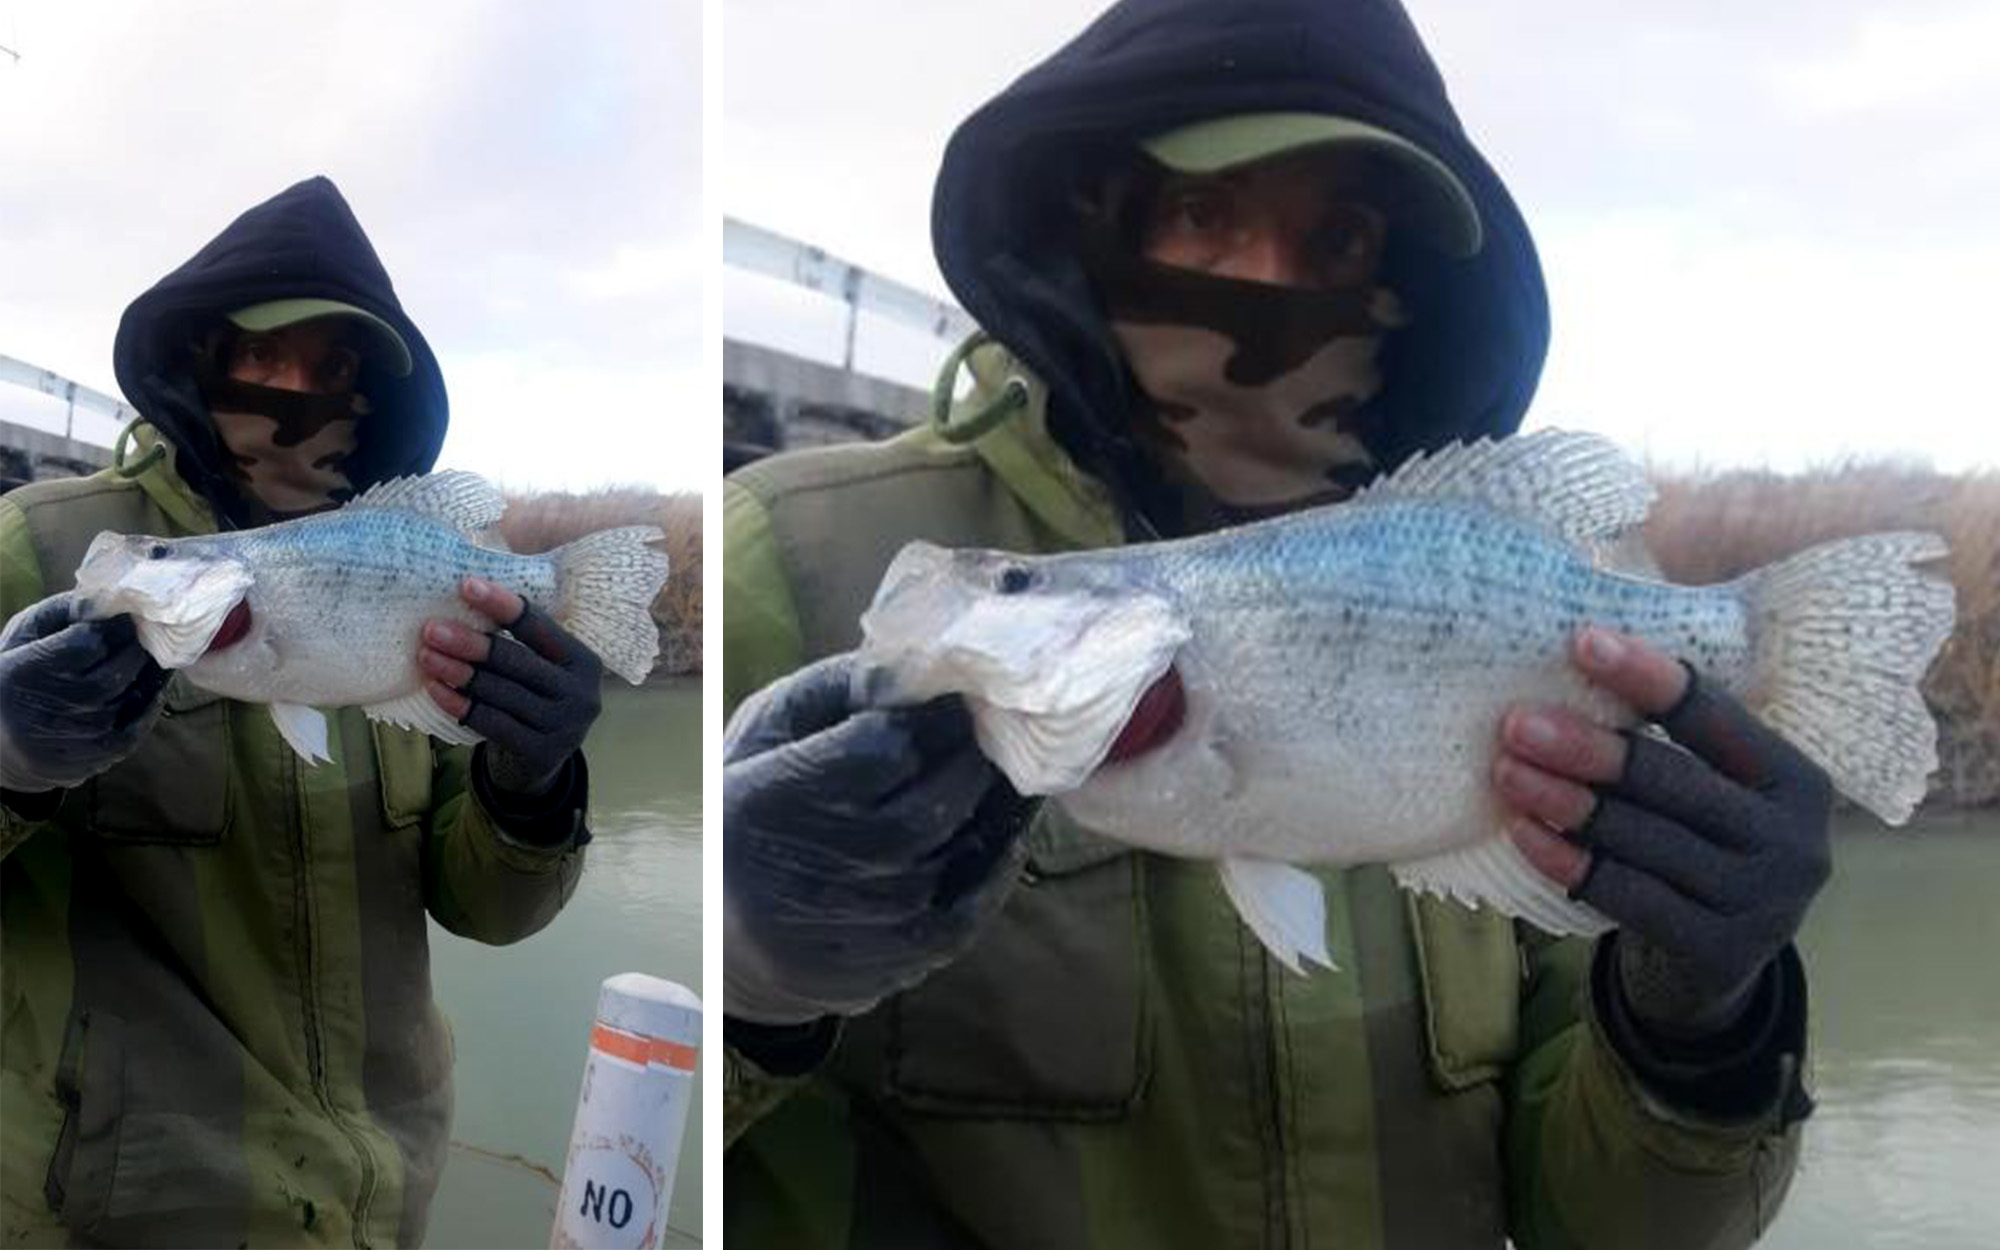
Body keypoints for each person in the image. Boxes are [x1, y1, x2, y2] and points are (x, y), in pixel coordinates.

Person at [722, 1, 1825, 1246]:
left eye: (1337, 237)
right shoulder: (791, 557)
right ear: (1091, 215)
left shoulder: (1530, 621)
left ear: (1402, 280)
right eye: (1203, 215)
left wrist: (1701, 1027)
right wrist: (741, 982)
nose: (1267, 289)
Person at [0, 177, 603, 1247]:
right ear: (197, 359)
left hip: (378, 1202)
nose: (295, 393)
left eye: (332, 370)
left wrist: (534, 785)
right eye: (261, 359)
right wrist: (8, 754)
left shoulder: (420, 572)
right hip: (111, 1212)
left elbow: (490, 912)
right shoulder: (38, 546)